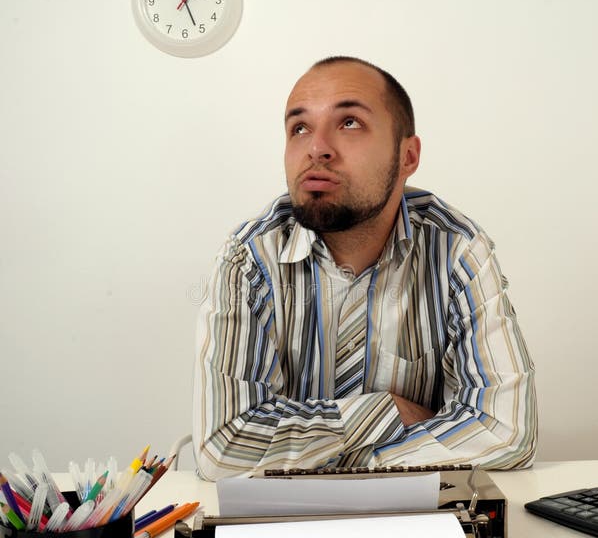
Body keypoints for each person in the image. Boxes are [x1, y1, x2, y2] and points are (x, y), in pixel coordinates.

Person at [193, 56, 537, 479]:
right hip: (282, 524)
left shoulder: (456, 250)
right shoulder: (249, 259)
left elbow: (506, 432)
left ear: (407, 156)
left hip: (415, 525)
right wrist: (388, 411)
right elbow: (224, 448)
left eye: (349, 122)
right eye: (299, 128)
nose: (316, 147)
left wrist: (343, 463)